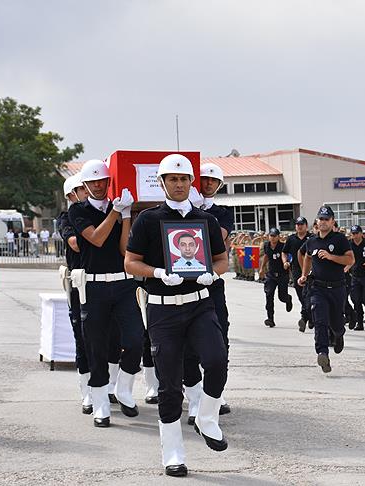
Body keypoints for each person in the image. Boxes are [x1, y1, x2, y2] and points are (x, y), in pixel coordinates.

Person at [124, 153, 229, 477]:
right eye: (173, 179)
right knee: (169, 385)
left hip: (199, 303)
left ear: (191, 182)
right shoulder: (148, 220)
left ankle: (206, 417)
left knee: (216, 360)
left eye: (184, 179)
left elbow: (222, 259)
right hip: (162, 309)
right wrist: (157, 272)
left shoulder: (206, 220)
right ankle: (172, 452)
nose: (179, 184)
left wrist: (212, 273)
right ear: (162, 182)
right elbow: (130, 262)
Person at [67, 159, 143, 427]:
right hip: (94, 285)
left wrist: (126, 216)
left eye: (103, 181)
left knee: (135, 339)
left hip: (123, 283)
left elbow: (124, 250)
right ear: (85, 185)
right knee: (96, 346)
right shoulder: (78, 210)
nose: (98, 186)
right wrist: (115, 212)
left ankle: (123, 388)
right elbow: (96, 239)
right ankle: (100, 403)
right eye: (93, 182)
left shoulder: (117, 207)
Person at [189, 161, 235, 415]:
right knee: (188, 340)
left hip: (212, 280)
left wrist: (198, 212)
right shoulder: (185, 207)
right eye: (204, 179)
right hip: (186, 281)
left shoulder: (223, 212)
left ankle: (217, 390)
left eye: (213, 181)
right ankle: (194, 391)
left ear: (219, 185)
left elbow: (217, 236)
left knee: (219, 337)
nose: (208, 184)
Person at [296, 206, 354, 373]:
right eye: (320, 219)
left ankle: (339, 334)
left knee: (336, 322)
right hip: (318, 288)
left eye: (326, 219)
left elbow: (350, 259)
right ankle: (322, 353)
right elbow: (307, 257)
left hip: (337, 288)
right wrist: (304, 275)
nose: (323, 222)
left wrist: (331, 257)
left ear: (332, 221)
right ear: (317, 221)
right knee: (320, 321)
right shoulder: (312, 241)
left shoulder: (340, 239)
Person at [58, 174, 94, 414]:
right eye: (83, 189)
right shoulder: (66, 217)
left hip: (103, 282)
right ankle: (87, 391)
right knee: (82, 338)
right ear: (72, 194)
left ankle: (108, 386)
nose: (88, 191)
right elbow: (75, 243)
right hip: (80, 283)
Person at [260, 228, 292, 327]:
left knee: (282, 297)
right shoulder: (266, 245)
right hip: (271, 274)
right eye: (271, 236)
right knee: (269, 295)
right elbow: (266, 256)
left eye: (275, 236)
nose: (273, 238)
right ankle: (270, 318)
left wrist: (287, 264)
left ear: (278, 237)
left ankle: (288, 299)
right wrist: (262, 268)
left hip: (282, 274)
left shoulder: (283, 246)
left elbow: (288, 256)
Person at [283, 217, 310, 331]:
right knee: (301, 294)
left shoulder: (312, 238)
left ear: (306, 226)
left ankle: (304, 317)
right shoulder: (291, 239)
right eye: (298, 224)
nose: (299, 226)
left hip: (310, 270)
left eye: (302, 224)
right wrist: (285, 261)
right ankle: (308, 315)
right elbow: (284, 252)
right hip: (296, 270)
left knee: (309, 294)